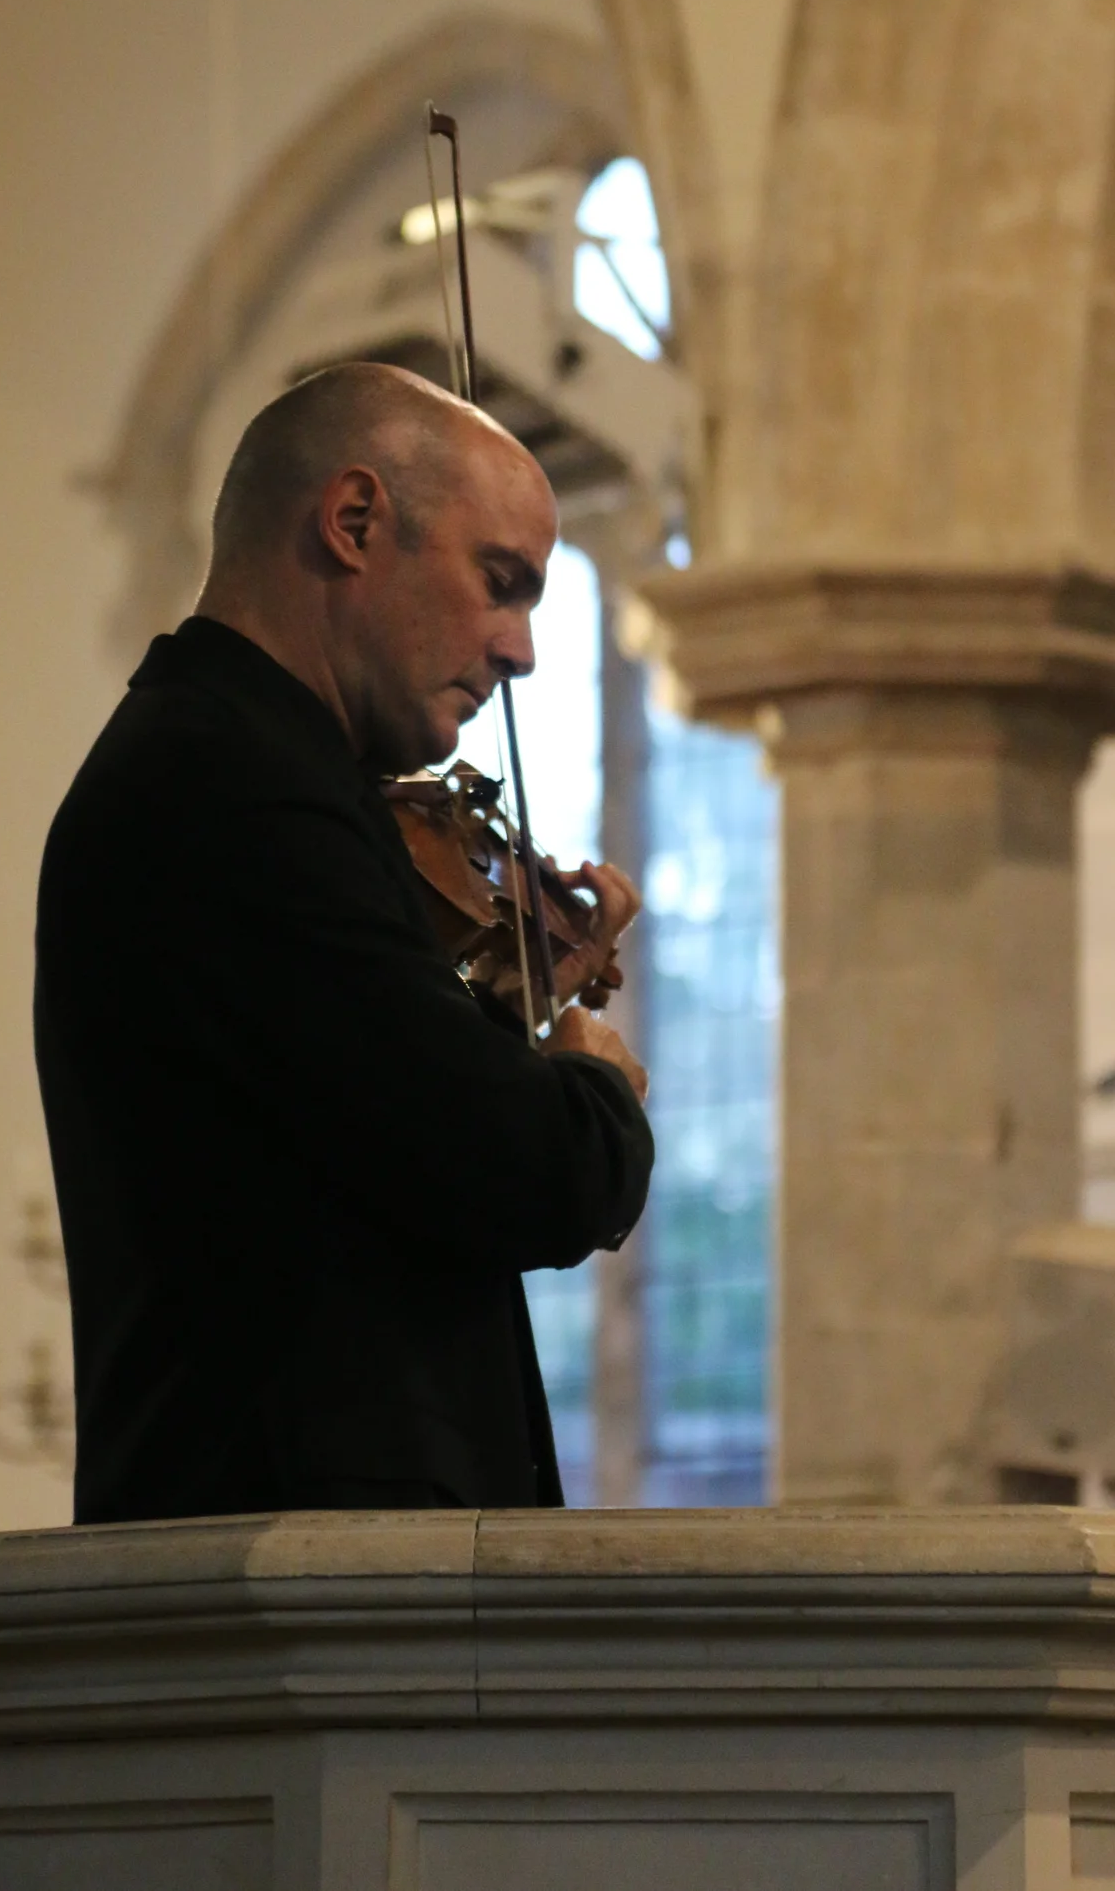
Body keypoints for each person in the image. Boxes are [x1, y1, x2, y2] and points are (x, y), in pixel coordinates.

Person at [35, 361, 653, 1523]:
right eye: (501, 583)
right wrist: (595, 1089)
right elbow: (522, 1169)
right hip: (296, 1566)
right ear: (355, 520)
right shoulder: (229, 788)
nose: (520, 649)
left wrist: (500, 1014)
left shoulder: (249, 774)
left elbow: (367, 1124)